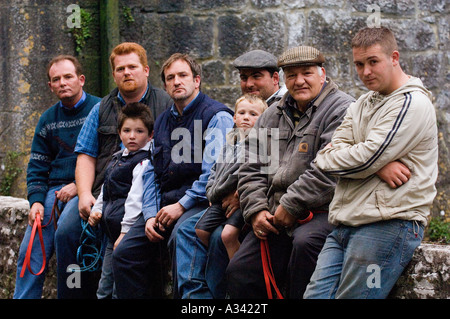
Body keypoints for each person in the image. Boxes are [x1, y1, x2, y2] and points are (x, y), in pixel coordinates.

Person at [303, 27, 438, 299]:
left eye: (373, 62)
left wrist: (370, 160)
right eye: (359, 64)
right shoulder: (362, 103)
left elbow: (366, 156)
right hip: (345, 224)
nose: (365, 71)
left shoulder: (412, 103)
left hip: (386, 226)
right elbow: (323, 156)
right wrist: (378, 164)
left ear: (394, 58)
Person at [226, 45, 354, 299]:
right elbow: (251, 165)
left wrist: (291, 205)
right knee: (239, 272)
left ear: (322, 74)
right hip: (274, 214)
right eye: (292, 75)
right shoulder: (272, 113)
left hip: (323, 210)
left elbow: (330, 169)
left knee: (305, 246)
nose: (299, 81)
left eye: (306, 73)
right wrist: (256, 211)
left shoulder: (342, 109)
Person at [111, 53, 234, 298]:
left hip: (200, 203)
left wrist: (180, 205)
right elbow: (152, 174)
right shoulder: (163, 120)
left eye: (182, 76)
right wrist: (149, 215)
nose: (177, 81)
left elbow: (214, 173)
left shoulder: (216, 116)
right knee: (125, 253)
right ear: (165, 85)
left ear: (196, 80)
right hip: (166, 205)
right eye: (170, 78)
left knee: (179, 237)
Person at [55, 42, 172, 299]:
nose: (126, 73)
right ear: (114, 74)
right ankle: (74, 294)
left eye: (132, 67)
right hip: (103, 193)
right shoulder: (100, 109)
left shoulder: (167, 105)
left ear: (146, 70)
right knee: (66, 231)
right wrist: (85, 194)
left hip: (147, 196)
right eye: (120, 69)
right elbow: (85, 156)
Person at [174, 49, 291, 299]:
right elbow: (225, 162)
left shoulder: (285, 108)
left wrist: (242, 193)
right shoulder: (244, 119)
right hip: (234, 195)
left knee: (220, 236)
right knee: (185, 230)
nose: (248, 84)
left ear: (275, 78)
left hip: (268, 201)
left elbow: (281, 163)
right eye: (243, 77)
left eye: (256, 76)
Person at [14, 55, 101, 299]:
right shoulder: (47, 120)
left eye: (68, 77)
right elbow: (37, 166)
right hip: (53, 190)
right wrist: (37, 201)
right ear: (51, 86)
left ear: (81, 80)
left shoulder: (99, 109)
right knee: (30, 248)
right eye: (56, 79)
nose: (62, 83)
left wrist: (79, 185)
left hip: (87, 187)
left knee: (67, 233)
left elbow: (109, 158)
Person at [87, 102, 155, 299]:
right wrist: (97, 210)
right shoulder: (118, 157)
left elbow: (135, 199)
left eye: (139, 131)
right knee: (104, 285)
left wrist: (125, 232)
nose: (132, 136)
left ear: (150, 135)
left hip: (125, 233)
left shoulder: (144, 161)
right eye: (127, 130)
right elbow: (105, 189)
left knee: (120, 287)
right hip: (110, 233)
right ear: (119, 132)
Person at [195, 94, 268, 259]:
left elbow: (248, 173)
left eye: (253, 114)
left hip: (241, 200)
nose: (246, 118)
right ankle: (222, 260)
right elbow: (215, 169)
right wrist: (211, 189)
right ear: (234, 118)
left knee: (227, 235)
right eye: (241, 113)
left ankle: (235, 267)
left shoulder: (258, 145)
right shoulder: (230, 144)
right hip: (218, 197)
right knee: (200, 230)